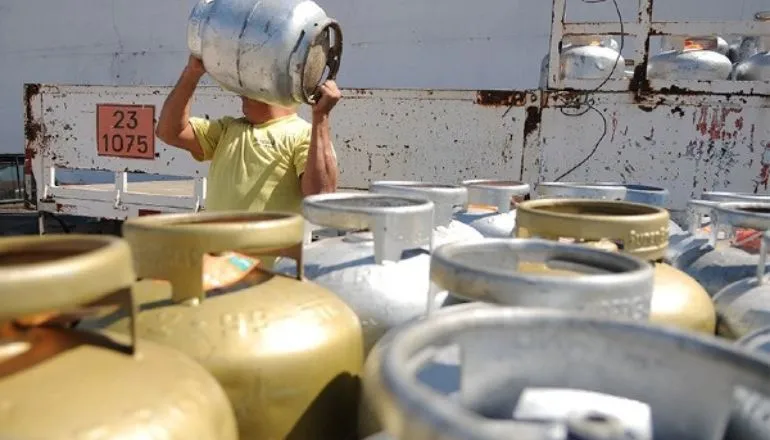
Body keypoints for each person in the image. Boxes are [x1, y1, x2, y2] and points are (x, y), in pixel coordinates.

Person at [155, 55, 341, 214]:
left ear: (275, 88)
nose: (241, 92)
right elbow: (168, 132)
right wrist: (191, 73)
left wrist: (321, 116)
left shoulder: (304, 134)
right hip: (220, 256)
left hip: (272, 257)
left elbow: (321, 198)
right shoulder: (227, 129)